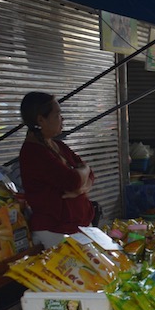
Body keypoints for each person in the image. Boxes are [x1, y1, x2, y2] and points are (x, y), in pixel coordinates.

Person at [19, 92, 95, 249]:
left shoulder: (58, 146)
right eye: (57, 115)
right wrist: (83, 171)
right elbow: (72, 180)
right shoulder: (34, 152)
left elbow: (90, 176)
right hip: (55, 230)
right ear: (41, 119)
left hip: (78, 226)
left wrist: (79, 189)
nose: (62, 119)